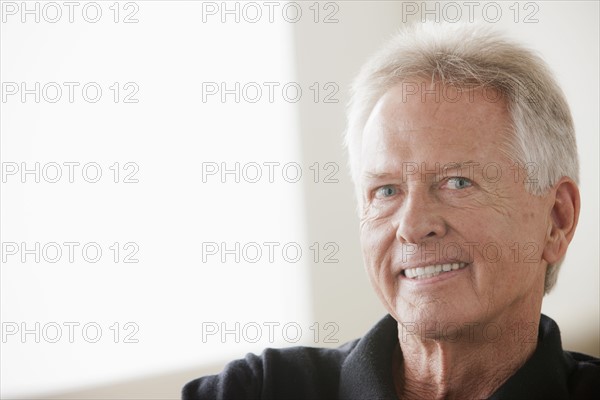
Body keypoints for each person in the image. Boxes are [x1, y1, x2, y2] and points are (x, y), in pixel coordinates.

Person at [182, 23, 600, 399]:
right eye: (386, 190)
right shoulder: (259, 389)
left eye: (457, 182)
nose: (412, 227)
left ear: (556, 220)